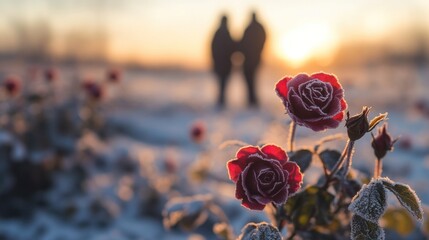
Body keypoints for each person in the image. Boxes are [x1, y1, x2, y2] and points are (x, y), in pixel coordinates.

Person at [239, 12, 266, 107]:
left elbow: (242, 43)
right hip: (254, 59)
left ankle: (252, 100)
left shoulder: (249, 28)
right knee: (252, 80)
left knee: (250, 80)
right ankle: (252, 100)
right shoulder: (259, 28)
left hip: (249, 60)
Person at [211, 15, 236, 108]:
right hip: (223, 65)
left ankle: (221, 102)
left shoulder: (219, 33)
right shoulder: (222, 33)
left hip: (224, 65)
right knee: (222, 84)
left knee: (223, 84)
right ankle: (221, 102)